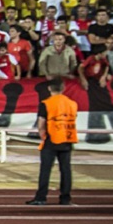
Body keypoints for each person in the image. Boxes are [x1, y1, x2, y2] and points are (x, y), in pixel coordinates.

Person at [28, 77, 78, 206]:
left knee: (45, 170)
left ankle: (41, 198)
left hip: (51, 139)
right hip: (67, 139)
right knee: (66, 170)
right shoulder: (72, 103)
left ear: (49, 88)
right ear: (63, 88)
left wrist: (43, 136)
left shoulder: (46, 103)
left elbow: (41, 124)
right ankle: (65, 198)